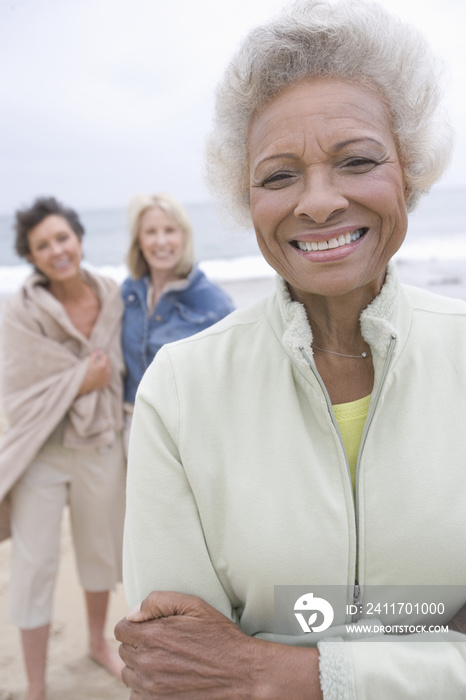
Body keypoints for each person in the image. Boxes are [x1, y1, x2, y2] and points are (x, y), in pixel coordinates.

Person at [115, 1, 466, 698]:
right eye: (278, 175)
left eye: (357, 161)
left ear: (412, 168)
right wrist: (438, 646)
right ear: (246, 201)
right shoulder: (182, 391)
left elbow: (230, 674)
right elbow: (177, 671)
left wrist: (274, 669)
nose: (318, 202)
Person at [0, 197, 126, 700]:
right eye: (42, 245)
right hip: (43, 454)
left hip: (101, 445)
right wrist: (81, 381)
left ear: (78, 239)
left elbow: (133, 363)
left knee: (99, 552)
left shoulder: (114, 296)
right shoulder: (20, 311)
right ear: (31, 257)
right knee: (34, 566)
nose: (56, 250)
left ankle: (97, 643)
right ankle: (35, 684)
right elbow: (17, 389)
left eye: (62, 238)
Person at [120, 192, 234, 444]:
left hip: (184, 434)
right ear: (139, 240)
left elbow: (232, 379)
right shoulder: (127, 293)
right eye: (150, 232)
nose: (161, 241)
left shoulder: (214, 304)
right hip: (129, 427)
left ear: (183, 236)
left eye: (169, 230)